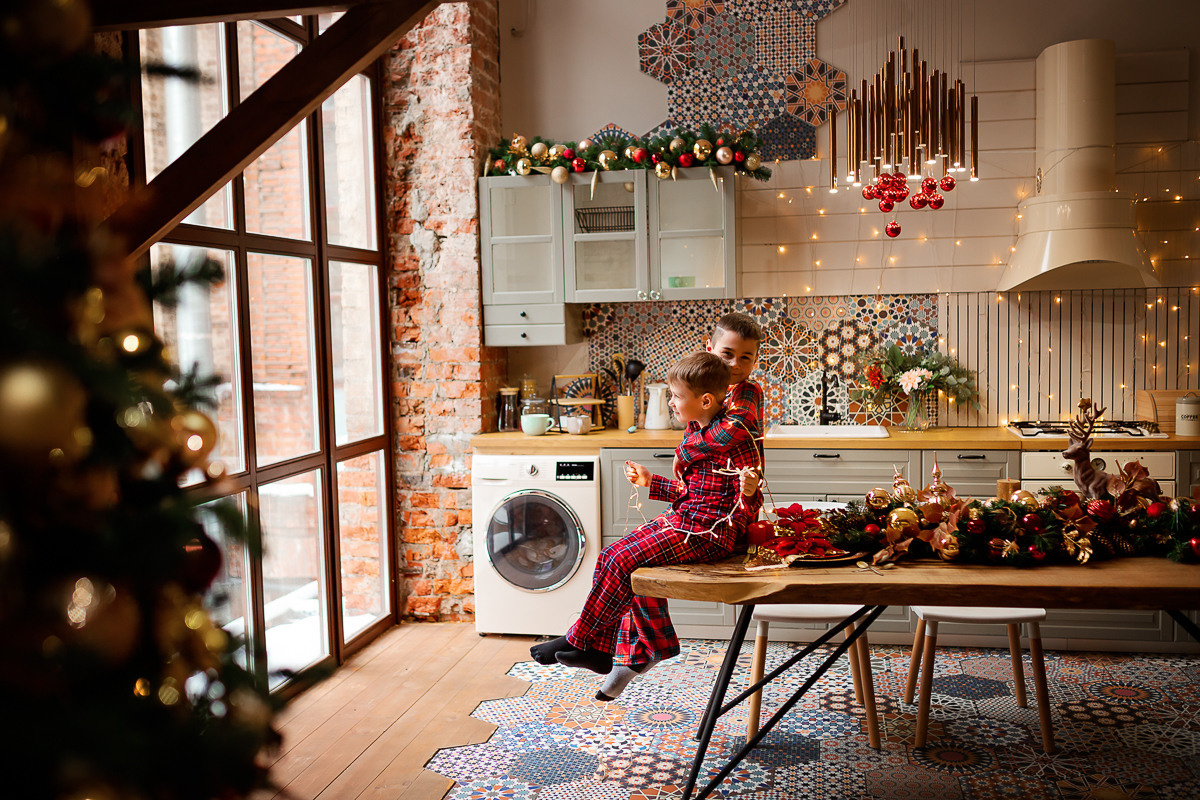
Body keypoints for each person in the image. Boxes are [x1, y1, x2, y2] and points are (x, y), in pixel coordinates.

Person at [529, 352, 762, 700]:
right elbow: (691, 493)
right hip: (688, 520)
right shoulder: (697, 429)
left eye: (676, 396)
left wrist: (749, 489)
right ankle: (631, 645)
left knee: (623, 561)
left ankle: (584, 641)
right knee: (612, 556)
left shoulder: (735, 439)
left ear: (706, 400)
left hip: (711, 534)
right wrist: (652, 482)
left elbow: (747, 503)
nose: (671, 402)